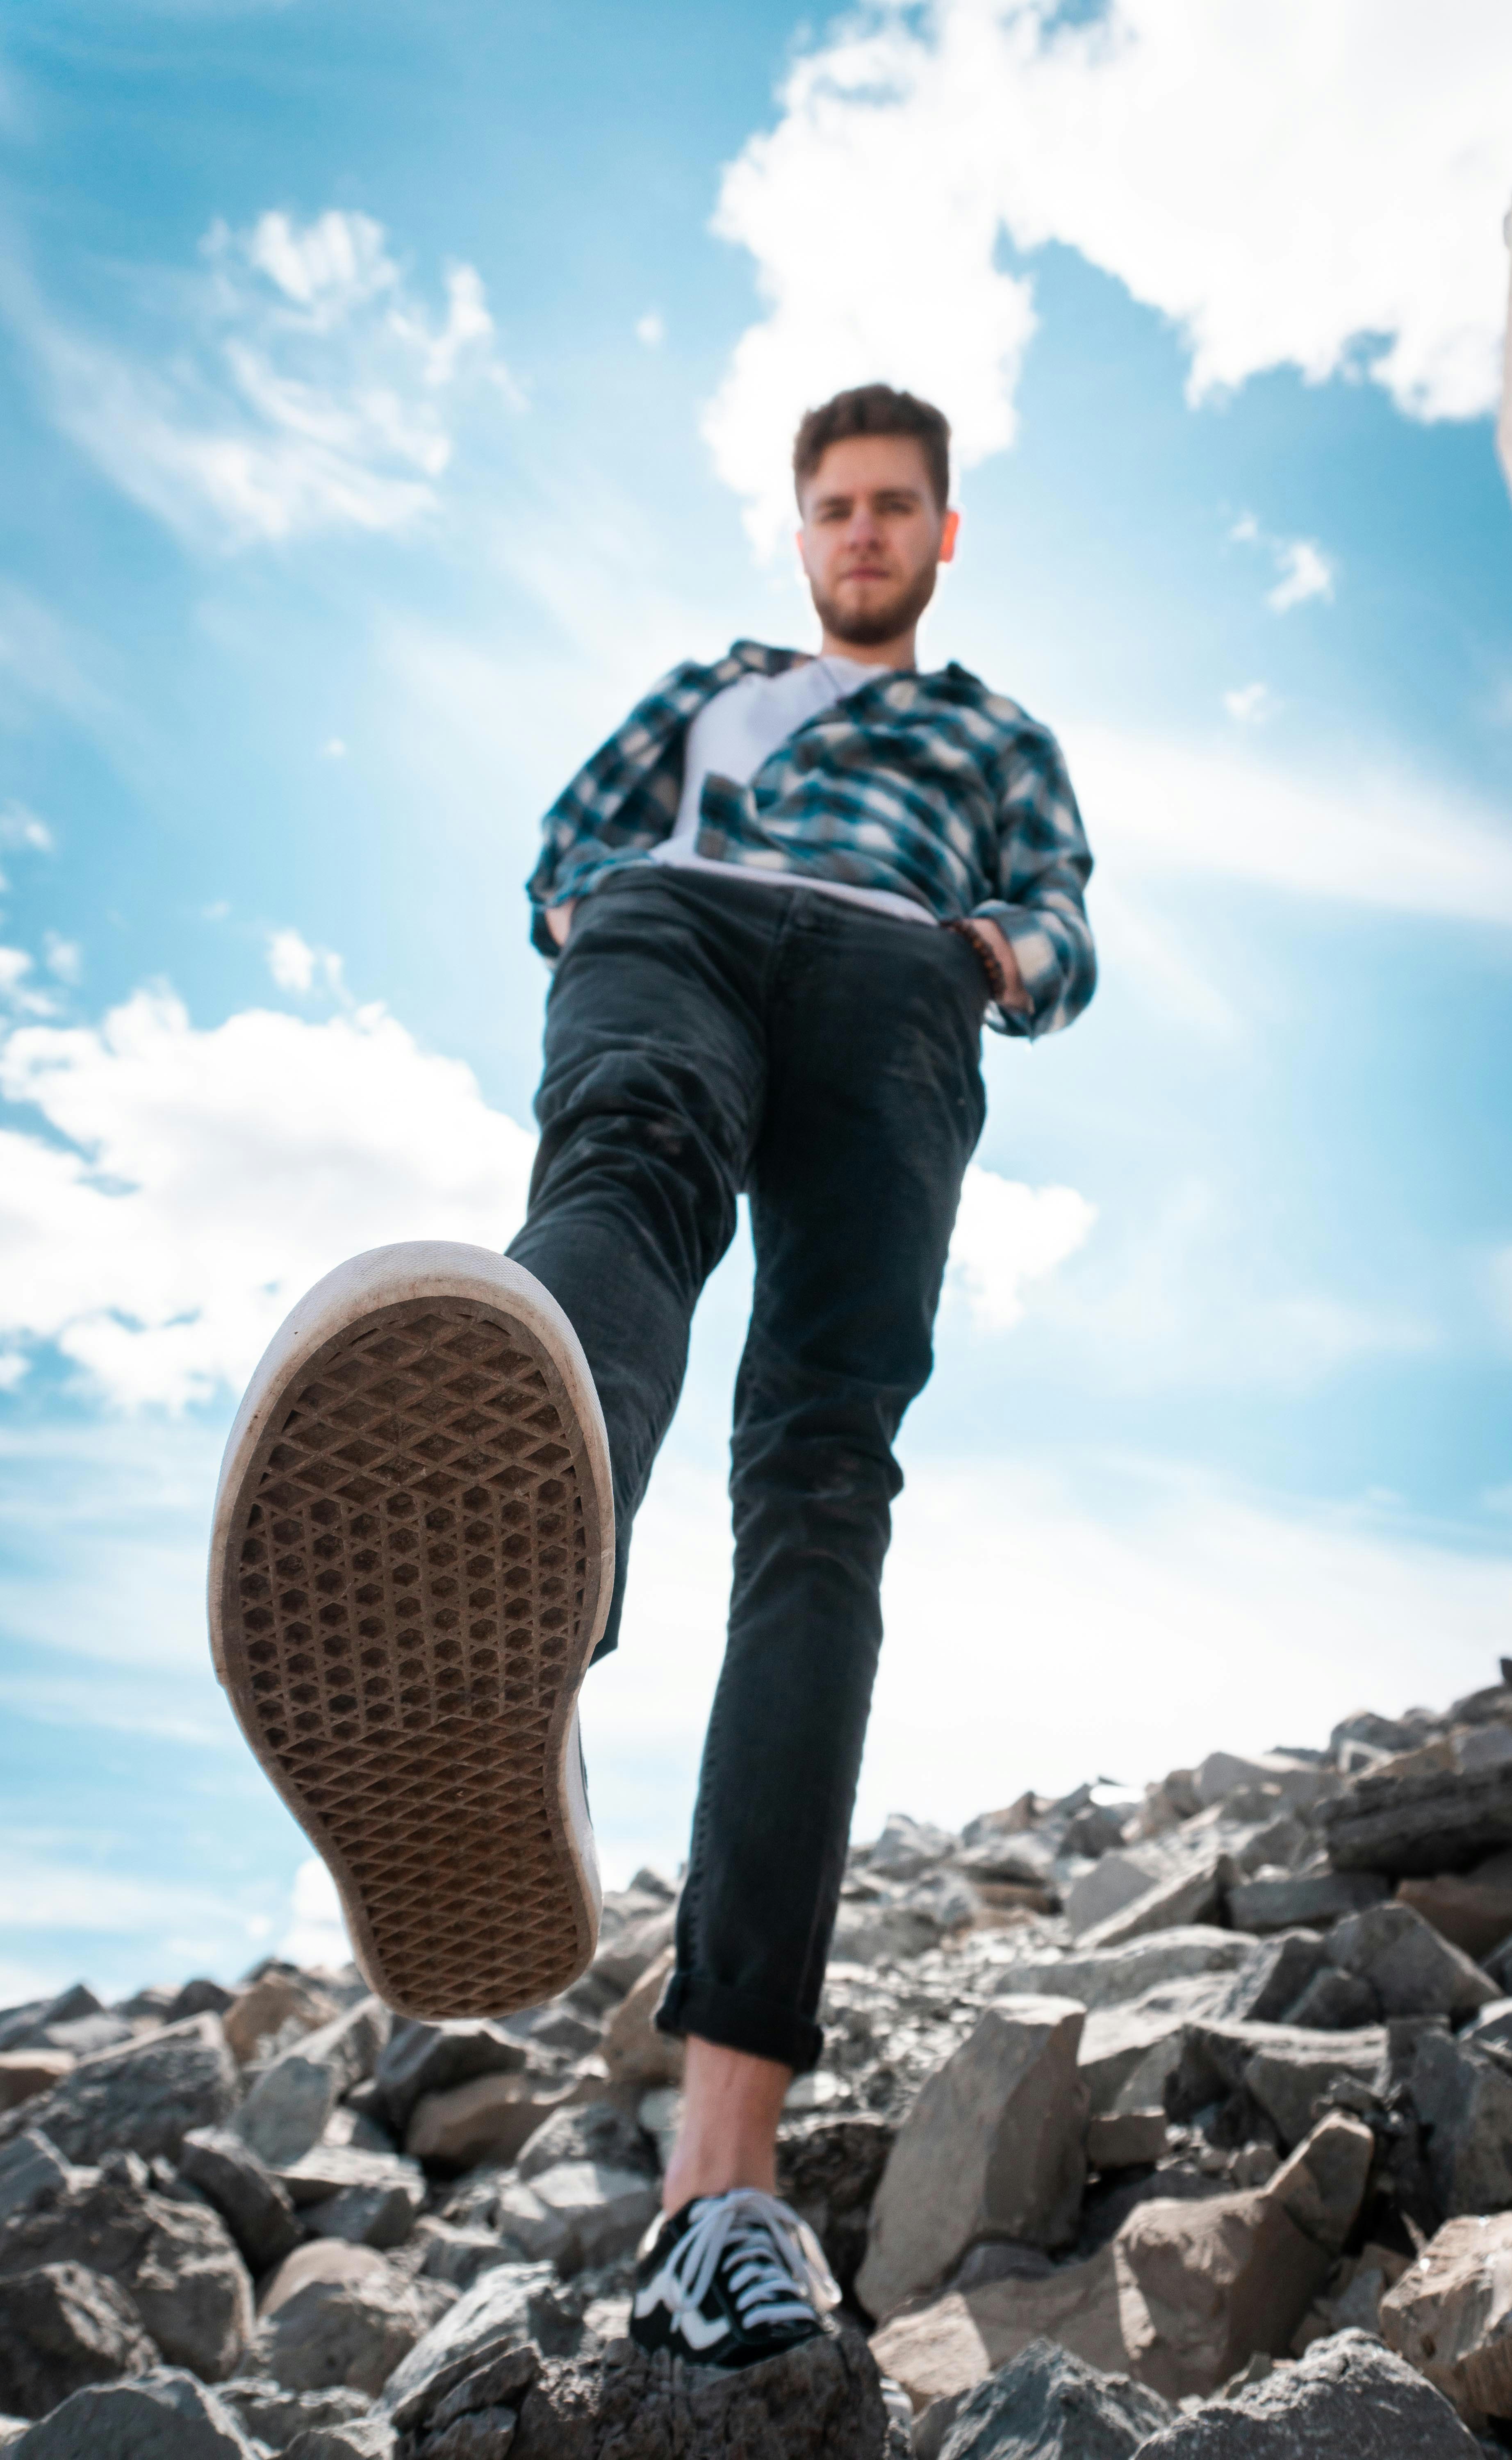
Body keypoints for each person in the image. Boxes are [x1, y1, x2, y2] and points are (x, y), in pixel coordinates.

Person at [209, 382, 1096, 2374]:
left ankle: (720, 2186)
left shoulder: (994, 734)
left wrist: (1001, 962)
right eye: (833, 507)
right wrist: (583, 910)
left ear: (942, 535)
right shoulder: (711, 693)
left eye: (893, 509)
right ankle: (506, 1602)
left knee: (819, 1479)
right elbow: (565, 841)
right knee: (621, 1190)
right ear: (799, 533)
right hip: (680, 925)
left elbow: (1062, 908)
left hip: (893, 972)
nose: (861, 532)